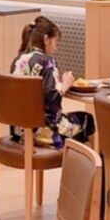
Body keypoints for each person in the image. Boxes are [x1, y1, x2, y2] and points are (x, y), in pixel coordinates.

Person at [9, 16, 94, 149]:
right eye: (56, 42)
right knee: (87, 120)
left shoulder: (18, 60)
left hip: (18, 131)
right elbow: (51, 100)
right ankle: (91, 161)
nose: (56, 48)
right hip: (43, 132)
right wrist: (65, 85)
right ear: (46, 40)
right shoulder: (47, 62)